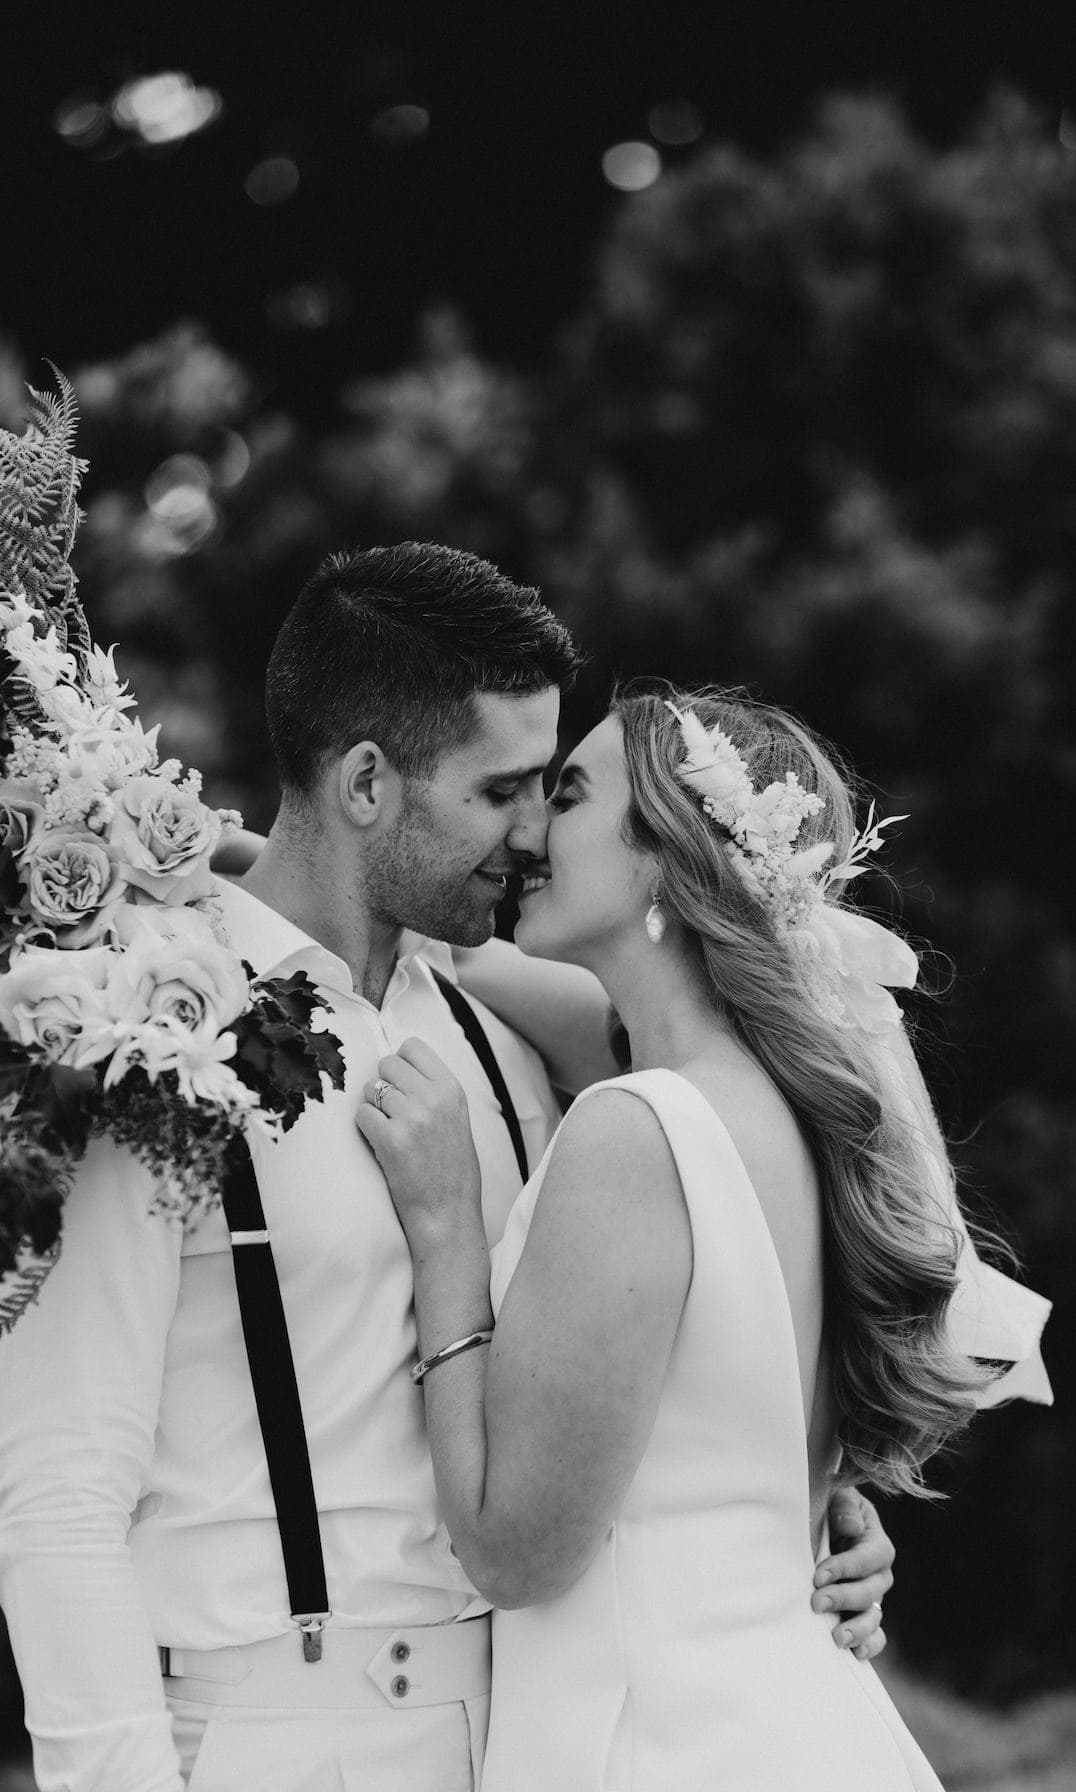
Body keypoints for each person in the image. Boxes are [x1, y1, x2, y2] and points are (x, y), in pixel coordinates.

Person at [0, 546, 896, 1792]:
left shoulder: (501, 1035)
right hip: (277, 1742)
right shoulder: (148, 1042)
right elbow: (53, 1496)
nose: (534, 834)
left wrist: (797, 1507)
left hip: (532, 1733)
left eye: (550, 789)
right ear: (368, 781)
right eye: (505, 789)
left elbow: (638, 1340)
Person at [355, 681, 1050, 1791]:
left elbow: (515, 1550)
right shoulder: (796, 1105)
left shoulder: (636, 1130)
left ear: (664, 861)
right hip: (794, 1719)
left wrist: (445, 1235)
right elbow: (455, 965)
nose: (527, 827)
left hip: (658, 1743)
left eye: (567, 794)